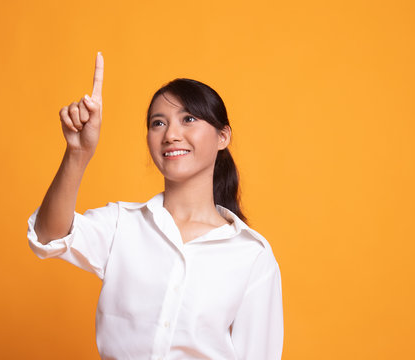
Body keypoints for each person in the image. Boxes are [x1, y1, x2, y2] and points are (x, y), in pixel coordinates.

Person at [26, 51, 284, 359]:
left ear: (222, 137)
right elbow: (48, 237)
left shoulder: (251, 255)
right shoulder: (122, 225)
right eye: (158, 123)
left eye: (188, 119)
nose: (171, 135)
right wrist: (77, 153)